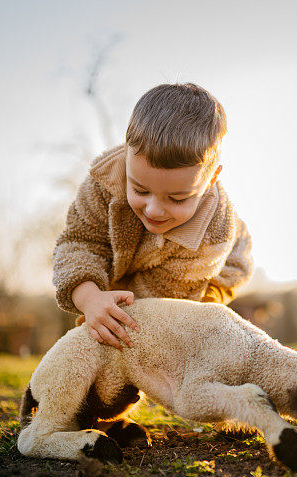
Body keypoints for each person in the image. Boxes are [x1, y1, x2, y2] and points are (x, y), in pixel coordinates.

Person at [53, 83, 253, 350]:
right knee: (101, 321)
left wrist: (113, 323)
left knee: (182, 331)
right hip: (129, 262)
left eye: (177, 198)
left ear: (210, 179)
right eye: (140, 189)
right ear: (126, 157)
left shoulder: (213, 234)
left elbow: (154, 305)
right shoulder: (101, 185)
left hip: (212, 272)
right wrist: (90, 299)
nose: (154, 210)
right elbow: (78, 243)